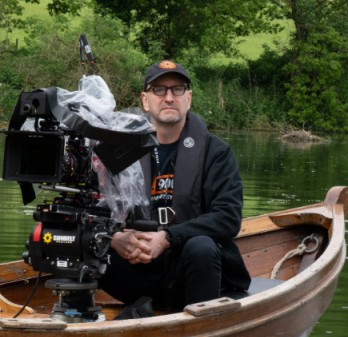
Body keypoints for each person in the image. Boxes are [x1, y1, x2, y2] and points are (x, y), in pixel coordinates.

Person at [101, 60, 251, 313]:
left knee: (201, 247)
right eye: (159, 90)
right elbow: (97, 210)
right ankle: (79, 320)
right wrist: (115, 238)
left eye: (177, 89)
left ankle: (199, 333)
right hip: (136, 269)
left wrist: (169, 237)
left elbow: (228, 218)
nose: (169, 97)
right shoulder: (119, 152)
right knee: (78, 242)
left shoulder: (216, 152)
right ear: (146, 100)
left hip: (191, 272)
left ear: (188, 98)